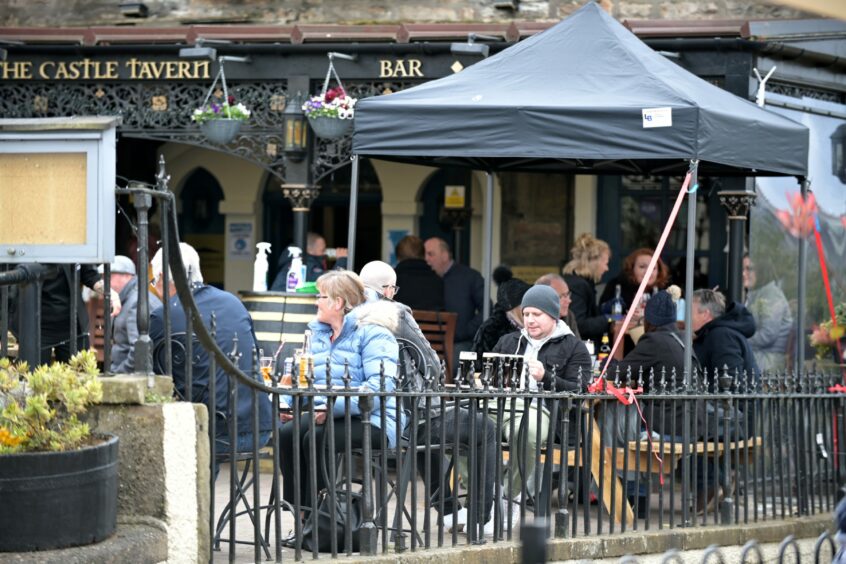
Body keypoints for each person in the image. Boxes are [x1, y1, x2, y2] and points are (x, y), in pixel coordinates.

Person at [358, 260, 497, 534]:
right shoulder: (394, 312)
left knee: (429, 432)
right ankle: (480, 519)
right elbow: (430, 362)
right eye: (393, 288)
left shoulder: (350, 313)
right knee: (485, 429)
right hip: (406, 419)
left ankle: (448, 512)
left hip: (368, 418)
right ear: (387, 290)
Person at [277, 271, 400, 514]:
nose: (316, 302)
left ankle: (324, 517)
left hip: (373, 419)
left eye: (320, 296)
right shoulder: (319, 334)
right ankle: (302, 514)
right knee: (288, 433)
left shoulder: (374, 333)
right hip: (330, 414)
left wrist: (332, 408)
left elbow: (379, 389)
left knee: (316, 437)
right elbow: (304, 376)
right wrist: (286, 402)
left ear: (338, 302)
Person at [148, 243, 273, 464]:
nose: (154, 288)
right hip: (258, 428)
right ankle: (204, 499)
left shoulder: (163, 315)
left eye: (153, 282)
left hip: (209, 432)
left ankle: (191, 499)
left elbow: (156, 378)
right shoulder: (233, 302)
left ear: (161, 278)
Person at [489, 285, 592, 506]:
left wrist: (545, 376)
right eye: (526, 314)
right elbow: (489, 377)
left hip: (544, 411)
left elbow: (579, 391)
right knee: (457, 424)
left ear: (553, 315)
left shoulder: (574, 347)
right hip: (501, 405)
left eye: (537, 314)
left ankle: (509, 496)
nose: (530, 320)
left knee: (528, 430)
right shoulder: (509, 341)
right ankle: (484, 493)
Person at [9, 263, 120, 366]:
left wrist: (111, 294)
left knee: (78, 379)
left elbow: (90, 275)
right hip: (34, 325)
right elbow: (8, 279)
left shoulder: (74, 245)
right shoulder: (27, 244)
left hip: (73, 326)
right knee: (32, 381)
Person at [424, 237, 485, 361]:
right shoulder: (424, 278)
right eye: (424, 254)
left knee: (456, 363)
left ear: (445, 256)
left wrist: (466, 331)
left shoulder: (470, 277)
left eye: (430, 254)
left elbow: (487, 309)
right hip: (427, 343)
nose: (426, 259)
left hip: (459, 343)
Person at [102, 255, 162, 374]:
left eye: (109, 276)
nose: (104, 282)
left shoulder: (135, 302)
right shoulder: (132, 298)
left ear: (126, 276)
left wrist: (118, 374)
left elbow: (138, 352)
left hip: (128, 377)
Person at [691, 288, 760, 389]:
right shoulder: (716, 334)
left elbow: (729, 385)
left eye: (690, 313)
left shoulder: (721, 336)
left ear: (705, 314)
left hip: (727, 404)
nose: (686, 318)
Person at [743, 253, 792, 373]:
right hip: (759, 359)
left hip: (769, 365)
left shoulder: (771, 295)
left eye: (749, 269)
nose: (743, 273)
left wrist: (739, 340)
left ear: (761, 271)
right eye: (742, 269)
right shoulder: (759, 293)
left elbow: (767, 335)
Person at [561, 233, 612, 343]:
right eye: (605, 263)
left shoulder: (579, 282)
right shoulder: (578, 285)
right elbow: (579, 324)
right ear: (594, 261)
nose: (607, 268)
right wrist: (609, 319)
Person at [472, 266, 531, 358]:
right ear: (512, 308)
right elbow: (479, 365)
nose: (529, 307)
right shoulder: (491, 330)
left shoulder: (535, 325)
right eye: (524, 303)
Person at [599, 248, 671, 314]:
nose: (648, 271)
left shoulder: (663, 290)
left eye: (653, 268)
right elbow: (603, 316)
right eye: (642, 267)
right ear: (631, 268)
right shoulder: (616, 286)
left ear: (659, 271)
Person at [270, 232, 348, 290]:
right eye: (322, 250)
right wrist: (342, 259)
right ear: (309, 250)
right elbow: (330, 282)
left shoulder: (294, 262)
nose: (325, 254)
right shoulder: (306, 265)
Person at [393, 235, 444, 312]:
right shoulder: (438, 282)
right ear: (423, 255)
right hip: (428, 324)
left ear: (398, 257)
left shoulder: (392, 282)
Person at [535, 273, 581, 340]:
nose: (569, 300)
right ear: (544, 298)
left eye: (568, 294)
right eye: (563, 296)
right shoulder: (532, 319)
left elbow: (578, 347)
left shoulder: (569, 316)